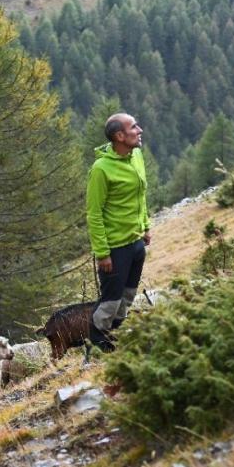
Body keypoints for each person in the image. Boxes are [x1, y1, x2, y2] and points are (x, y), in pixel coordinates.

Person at [85, 112, 150, 352]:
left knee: (128, 295)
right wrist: (103, 253)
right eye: (134, 127)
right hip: (114, 248)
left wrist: (145, 225)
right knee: (110, 300)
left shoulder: (137, 156)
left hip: (136, 242)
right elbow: (94, 213)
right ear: (119, 136)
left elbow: (140, 194)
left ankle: (117, 336)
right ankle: (99, 342)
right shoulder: (101, 169)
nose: (140, 130)